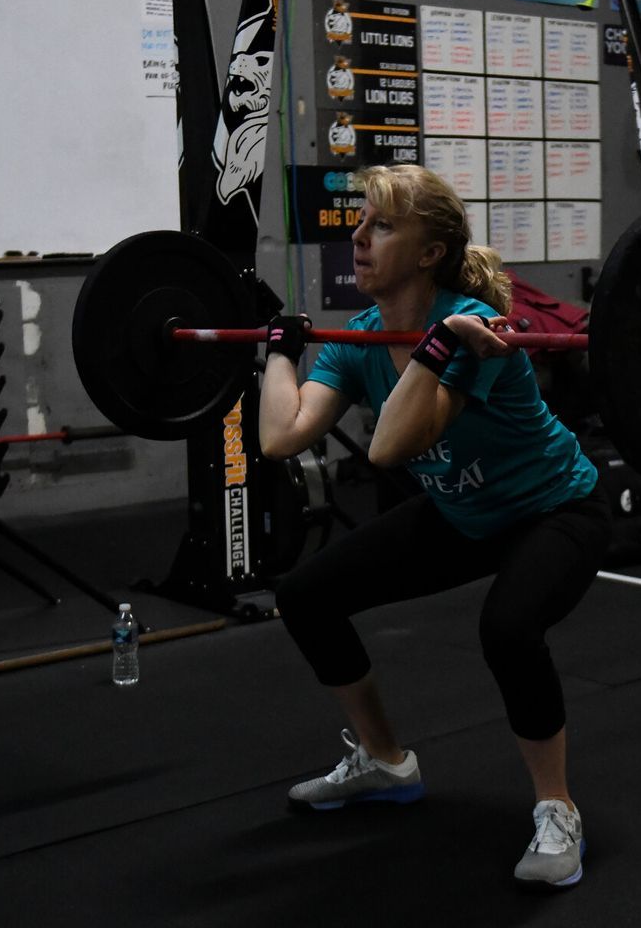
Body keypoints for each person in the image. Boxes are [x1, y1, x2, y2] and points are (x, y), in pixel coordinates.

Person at [259, 163, 608, 888]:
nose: (357, 237)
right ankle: (385, 762)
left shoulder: (476, 330)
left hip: (553, 508)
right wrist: (281, 352)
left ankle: (557, 809)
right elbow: (281, 437)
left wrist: (445, 344)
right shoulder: (359, 338)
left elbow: (391, 448)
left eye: (380, 225)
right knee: (306, 595)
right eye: (359, 222)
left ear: (428, 253)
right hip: (464, 512)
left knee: (509, 630)